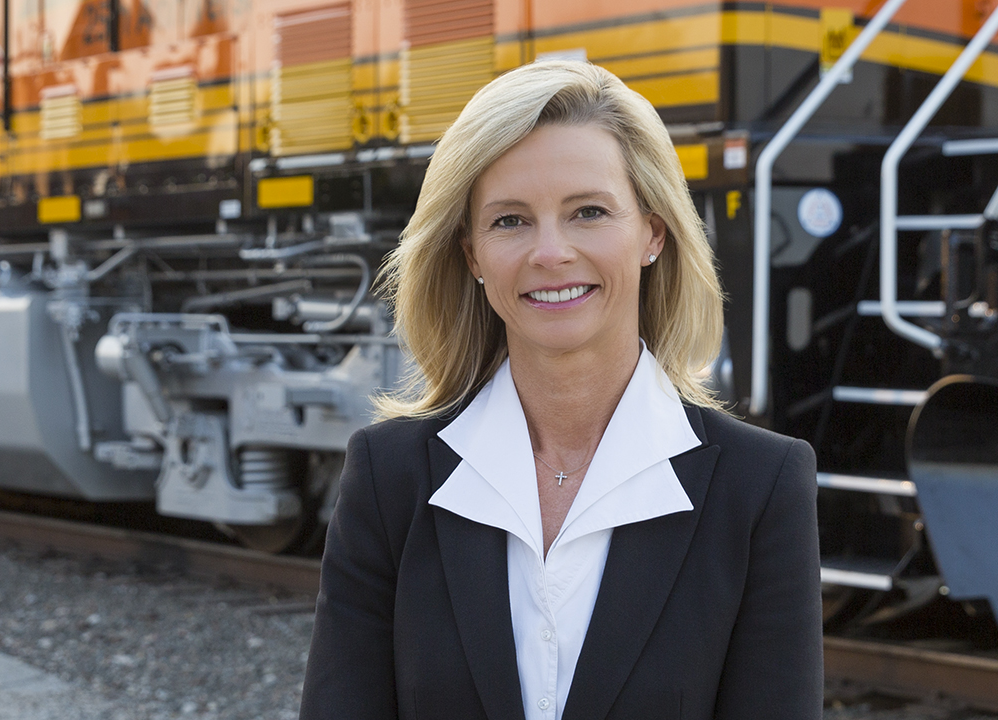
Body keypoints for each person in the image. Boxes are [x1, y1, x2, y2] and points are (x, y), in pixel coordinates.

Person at [299, 60, 822, 720]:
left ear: (652, 233)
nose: (551, 253)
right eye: (510, 221)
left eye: (589, 212)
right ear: (471, 254)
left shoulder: (761, 487)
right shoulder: (387, 479)